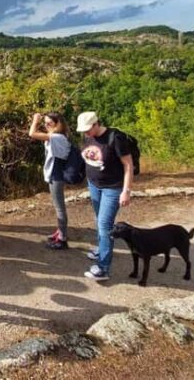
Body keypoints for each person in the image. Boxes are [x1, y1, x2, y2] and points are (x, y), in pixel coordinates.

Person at [77, 112, 133, 281]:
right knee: (99, 219)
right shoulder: (88, 137)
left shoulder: (115, 138)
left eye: (88, 130)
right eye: (83, 131)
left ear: (96, 124)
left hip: (113, 188)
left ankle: (103, 269)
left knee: (104, 225)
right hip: (94, 185)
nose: (86, 134)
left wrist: (126, 191)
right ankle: (101, 249)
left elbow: (128, 165)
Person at [29, 111, 72, 249]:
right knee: (57, 206)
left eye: (49, 123)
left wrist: (35, 120)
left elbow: (32, 134)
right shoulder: (58, 136)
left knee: (59, 208)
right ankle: (60, 232)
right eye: (45, 123)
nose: (46, 125)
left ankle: (63, 239)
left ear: (57, 123)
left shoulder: (57, 137)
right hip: (54, 173)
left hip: (56, 175)